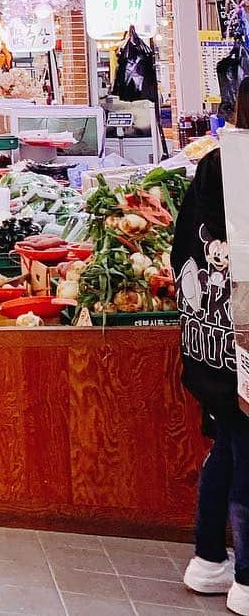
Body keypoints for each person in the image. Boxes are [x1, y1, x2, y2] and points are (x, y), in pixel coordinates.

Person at [174, 78, 249, 610]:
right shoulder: (240, 173)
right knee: (247, 451)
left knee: (228, 442)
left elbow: (182, 252)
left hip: (210, 341)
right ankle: (247, 576)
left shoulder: (210, 166)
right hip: (244, 343)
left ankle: (208, 559)